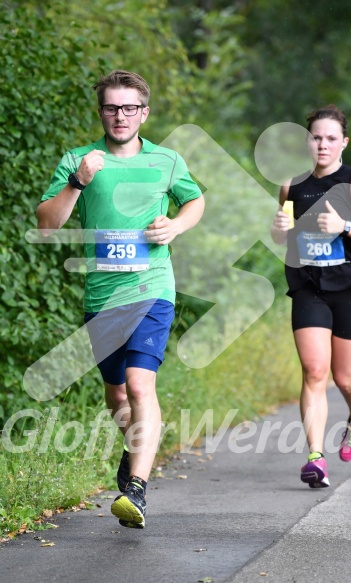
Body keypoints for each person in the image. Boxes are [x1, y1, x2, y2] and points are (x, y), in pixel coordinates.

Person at [37, 70, 205, 526]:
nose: (120, 115)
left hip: (153, 288)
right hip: (103, 294)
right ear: (101, 112)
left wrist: (176, 225)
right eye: (112, 107)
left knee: (139, 384)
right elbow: (48, 222)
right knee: (116, 397)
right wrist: (77, 182)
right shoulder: (80, 159)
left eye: (130, 107)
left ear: (144, 113)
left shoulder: (166, 160)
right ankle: (135, 451)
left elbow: (195, 201)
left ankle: (137, 489)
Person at [271, 104, 351, 488]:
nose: (323, 144)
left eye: (331, 138)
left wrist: (346, 226)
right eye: (316, 137)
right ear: (308, 140)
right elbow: (282, 236)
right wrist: (279, 228)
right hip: (308, 287)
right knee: (315, 371)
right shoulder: (292, 185)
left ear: (344, 143)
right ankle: (315, 459)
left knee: (344, 375)